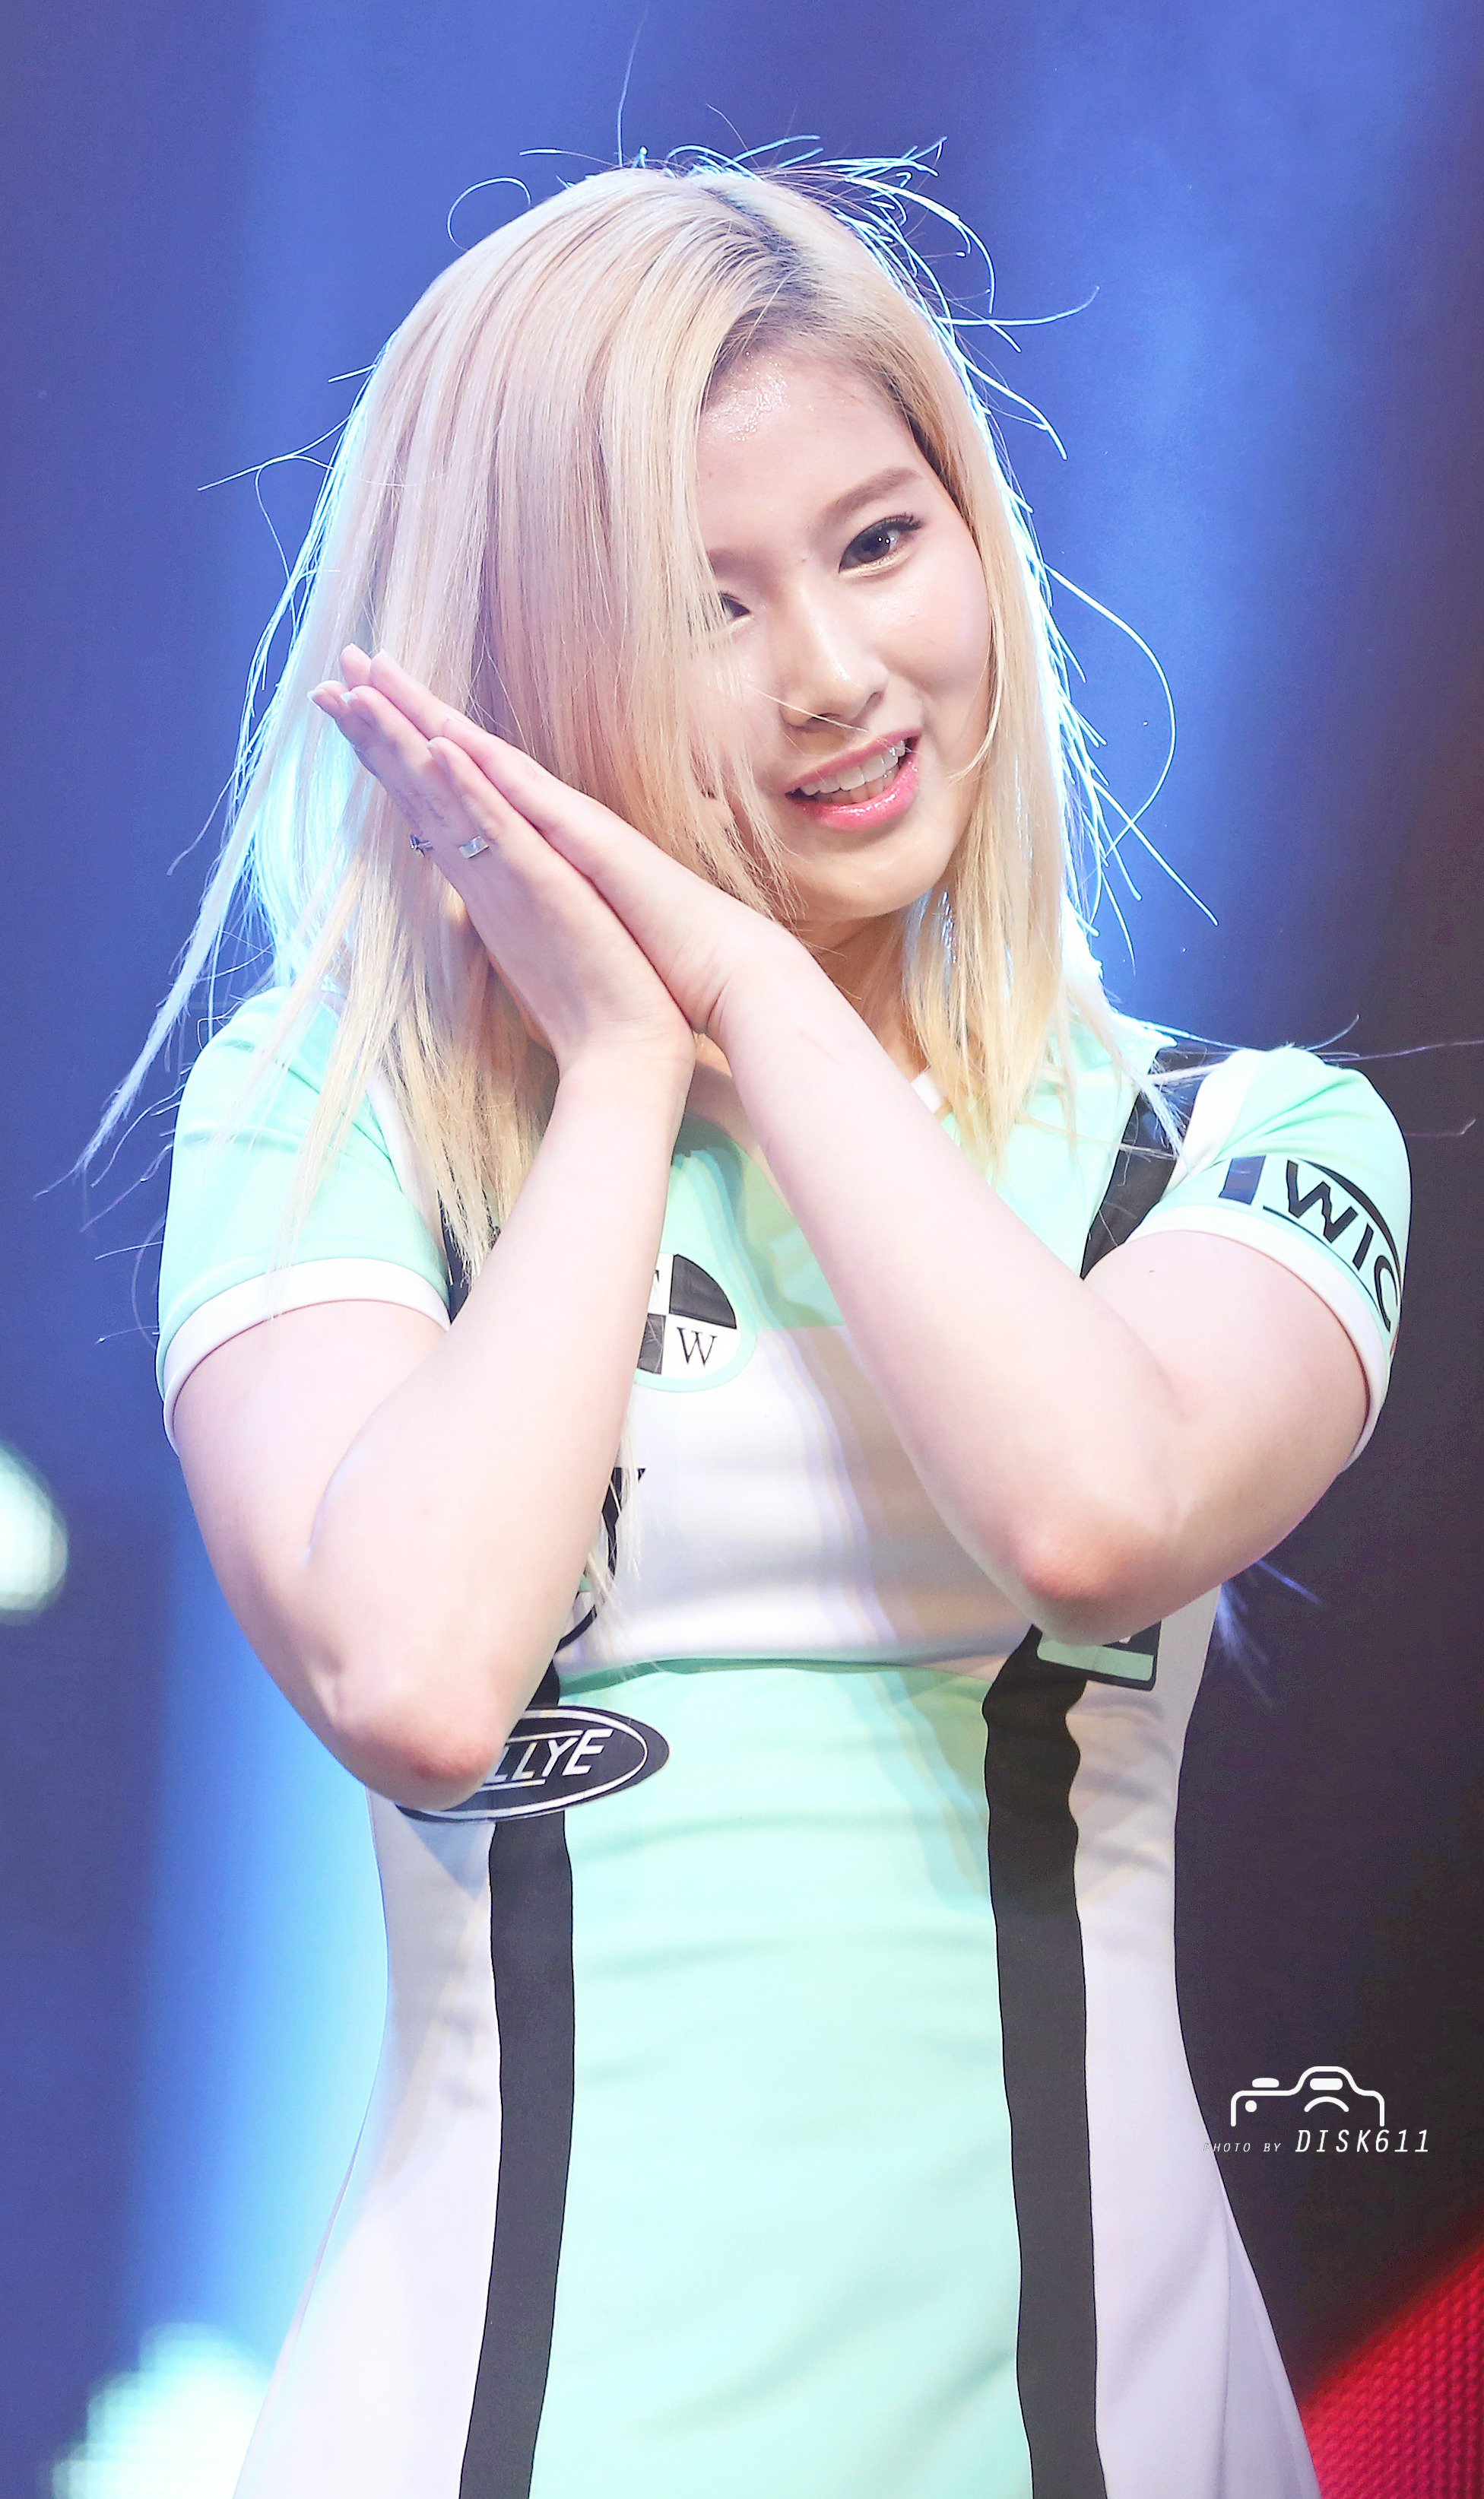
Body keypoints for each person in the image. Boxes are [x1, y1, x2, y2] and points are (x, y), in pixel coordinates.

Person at [142, 160, 1409, 2499]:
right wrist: (626, 1069)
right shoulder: (336, 1118)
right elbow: (413, 1680)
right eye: (702, 604)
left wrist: (742, 987)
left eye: (879, 542)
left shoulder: (1235, 1143)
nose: (832, 673)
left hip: (1098, 2439)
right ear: (523, 672)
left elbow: (1098, 1507)